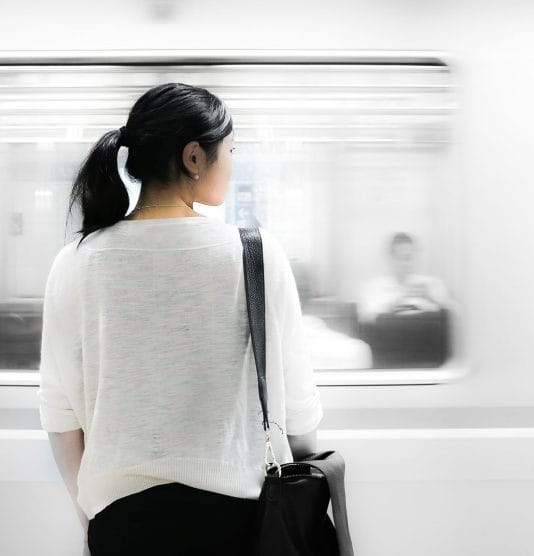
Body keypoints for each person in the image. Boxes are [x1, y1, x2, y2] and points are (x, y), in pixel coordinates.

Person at [38, 83, 324, 556]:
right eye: (229, 151)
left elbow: (60, 412)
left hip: (122, 526)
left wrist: (89, 518)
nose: (232, 165)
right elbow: (297, 408)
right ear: (194, 157)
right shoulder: (257, 254)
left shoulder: (75, 261)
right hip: (241, 524)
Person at [356, 232, 452, 322]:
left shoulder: (431, 284)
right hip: (387, 337)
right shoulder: (373, 288)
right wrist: (399, 300)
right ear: (390, 258)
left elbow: (454, 315)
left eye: (408, 258)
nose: (404, 263)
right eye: (399, 258)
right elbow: (365, 320)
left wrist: (430, 298)